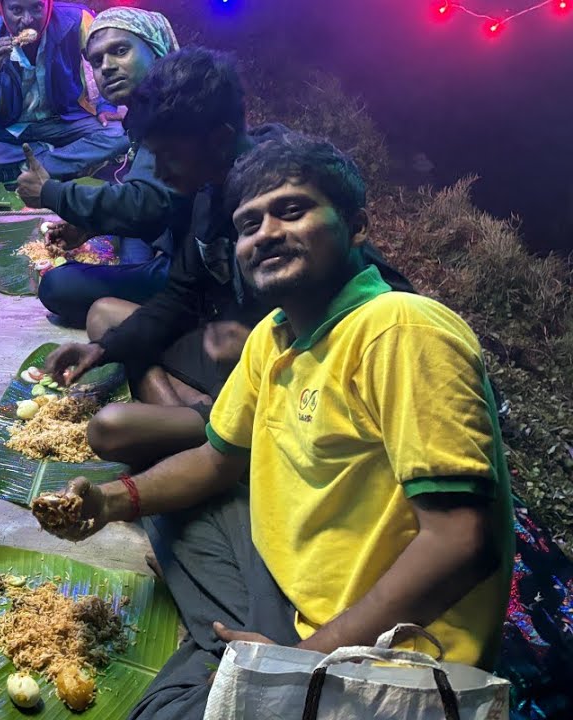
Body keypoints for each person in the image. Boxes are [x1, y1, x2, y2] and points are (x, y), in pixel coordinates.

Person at [36, 133, 514, 720]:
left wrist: (297, 667)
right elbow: (216, 460)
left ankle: (237, 659)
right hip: (294, 588)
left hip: (384, 658)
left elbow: (462, 543)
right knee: (165, 497)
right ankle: (236, 647)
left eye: (291, 210)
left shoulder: (400, 329)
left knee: (161, 710)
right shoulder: (277, 333)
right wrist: (109, 502)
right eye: (249, 223)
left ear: (356, 227)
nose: (265, 233)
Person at [44, 48, 410, 471]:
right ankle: (207, 423)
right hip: (235, 358)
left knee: (113, 427)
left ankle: (222, 438)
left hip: (295, 378)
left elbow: (384, 301)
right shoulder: (209, 194)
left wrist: (262, 341)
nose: (160, 173)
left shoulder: (288, 198)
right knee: (105, 318)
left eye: (169, 156)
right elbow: (181, 294)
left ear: (218, 139)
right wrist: (103, 350)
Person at [12, 6, 181, 325]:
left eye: (120, 51)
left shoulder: (178, 111)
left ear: (156, 50)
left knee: (58, 286)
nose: (108, 67)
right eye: (97, 61)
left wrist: (51, 193)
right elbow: (156, 201)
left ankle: (163, 317)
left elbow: (147, 204)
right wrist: (91, 227)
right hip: (166, 234)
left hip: (191, 269)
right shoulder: (148, 111)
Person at [0, 0, 130, 190]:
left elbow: (107, 61)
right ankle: (61, 161)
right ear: (2, 9)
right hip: (11, 130)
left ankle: (15, 170)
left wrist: (106, 104)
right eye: (17, 10)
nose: (28, 20)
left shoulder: (77, 20)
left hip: (64, 122)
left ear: (49, 4)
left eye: (37, 8)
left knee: (117, 133)